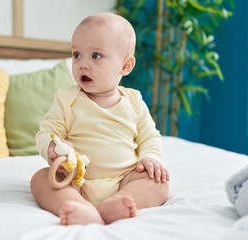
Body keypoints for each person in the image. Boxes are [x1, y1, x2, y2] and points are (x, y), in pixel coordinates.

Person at [31, 12, 169, 226]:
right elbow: (47, 131)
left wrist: (150, 158)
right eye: (77, 55)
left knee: (158, 183)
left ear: (125, 66)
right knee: (40, 180)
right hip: (75, 180)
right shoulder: (66, 98)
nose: (82, 64)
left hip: (126, 180)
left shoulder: (134, 101)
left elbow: (150, 137)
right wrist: (51, 145)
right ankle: (80, 207)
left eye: (96, 56)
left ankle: (117, 203)